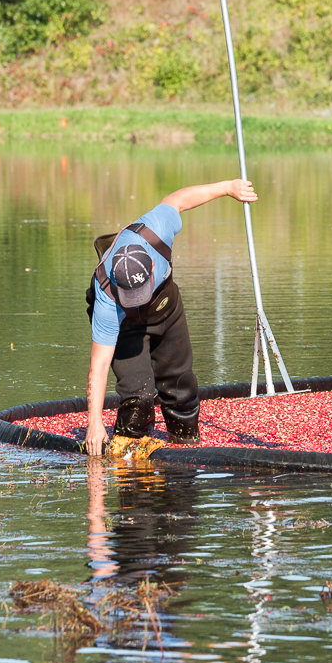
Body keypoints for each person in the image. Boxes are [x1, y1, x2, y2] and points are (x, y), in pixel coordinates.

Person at [84, 178, 258, 456]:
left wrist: (228, 188)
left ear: (152, 265)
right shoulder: (107, 296)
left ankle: (182, 473)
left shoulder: (157, 228)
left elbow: (178, 199)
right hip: (126, 328)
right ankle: (133, 484)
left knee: (181, 392)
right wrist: (94, 424)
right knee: (137, 403)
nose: (138, 299)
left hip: (167, 311)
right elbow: (99, 365)